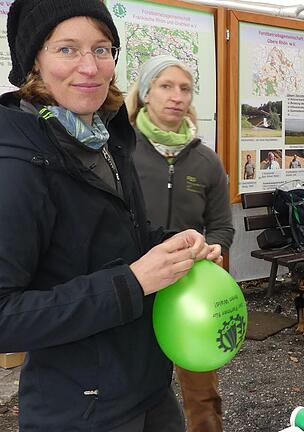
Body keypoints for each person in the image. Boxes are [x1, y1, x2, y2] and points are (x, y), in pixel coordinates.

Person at [0, 1, 222, 431]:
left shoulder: (108, 138)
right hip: (82, 411)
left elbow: (118, 239)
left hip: (149, 388)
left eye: (102, 49)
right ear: (33, 63)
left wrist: (173, 244)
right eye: (67, 49)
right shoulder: (16, 165)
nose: (90, 67)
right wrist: (135, 281)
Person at [126, 55, 234, 432]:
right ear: (145, 92)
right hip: (136, 291)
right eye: (166, 86)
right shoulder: (120, 151)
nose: (176, 96)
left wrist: (216, 249)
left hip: (193, 295)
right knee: (134, 393)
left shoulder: (206, 161)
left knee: (203, 396)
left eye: (185, 88)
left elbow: (222, 226)